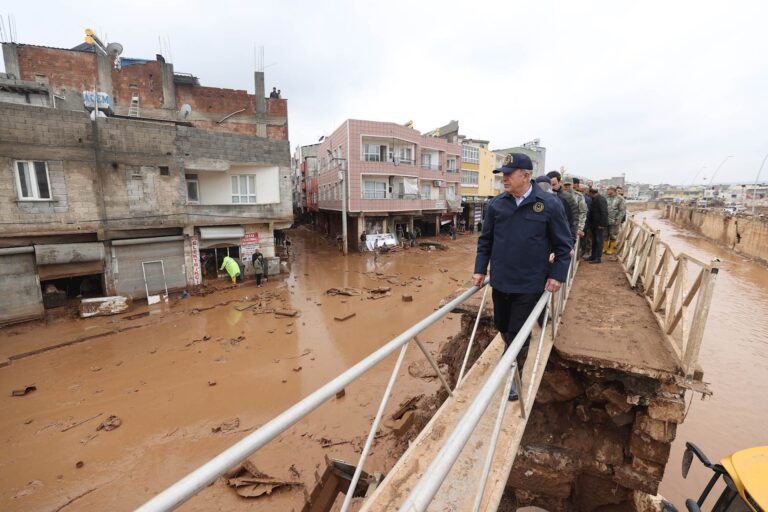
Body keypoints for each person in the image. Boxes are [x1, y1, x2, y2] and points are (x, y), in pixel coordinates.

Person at [473, 153, 572, 401]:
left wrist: (557, 276)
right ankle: (510, 353)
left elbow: (564, 246)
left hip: (530, 284)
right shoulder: (497, 205)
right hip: (501, 281)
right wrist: (479, 269)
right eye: (503, 174)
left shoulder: (549, 204)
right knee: (503, 326)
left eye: (509, 174)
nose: (504, 178)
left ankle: (514, 376)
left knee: (519, 332)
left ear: (526, 175)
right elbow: (485, 242)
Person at [547, 171, 579, 242]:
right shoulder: (543, 196)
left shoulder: (567, 197)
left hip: (563, 236)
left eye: (554, 184)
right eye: (549, 185)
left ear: (560, 182)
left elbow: (574, 218)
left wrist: (572, 238)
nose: (551, 187)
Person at [563, 176, 587, 249]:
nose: (567, 187)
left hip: (573, 226)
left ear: (572, 185)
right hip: (561, 225)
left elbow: (583, 212)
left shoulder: (578, 196)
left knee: (572, 248)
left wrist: (580, 227)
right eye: (565, 185)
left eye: (568, 185)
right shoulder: (558, 195)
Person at [587, 187, 608, 263]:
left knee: (599, 241)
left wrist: (602, 224)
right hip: (594, 224)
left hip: (599, 224)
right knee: (594, 241)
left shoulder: (601, 199)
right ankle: (593, 256)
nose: (588, 195)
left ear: (591, 193)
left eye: (588, 193)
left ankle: (598, 258)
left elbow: (604, 212)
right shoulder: (594, 199)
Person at [605, 186, 626, 255]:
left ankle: (611, 249)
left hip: (614, 220)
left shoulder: (620, 199)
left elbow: (622, 211)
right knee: (604, 234)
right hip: (605, 220)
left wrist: (618, 219)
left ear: (612, 190)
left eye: (608, 189)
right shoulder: (606, 197)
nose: (607, 191)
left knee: (613, 235)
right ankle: (604, 248)